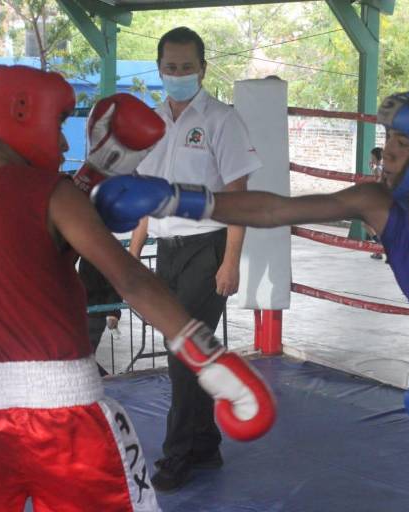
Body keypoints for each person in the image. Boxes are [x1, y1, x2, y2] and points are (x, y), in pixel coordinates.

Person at [93, 85, 409, 511]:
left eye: (400, 145)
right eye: (388, 141)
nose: (386, 156)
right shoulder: (377, 203)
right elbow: (279, 209)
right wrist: (176, 199)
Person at [0, 64, 275, 512]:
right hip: (65, 412)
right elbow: (131, 278)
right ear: (23, 113)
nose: (64, 142)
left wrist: (94, 175)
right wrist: (211, 357)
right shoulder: (55, 194)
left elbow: (24, 243)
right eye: (58, 125)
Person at [126, 26, 263, 493]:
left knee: (183, 352)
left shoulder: (223, 120)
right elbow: (146, 193)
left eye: (187, 67)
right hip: (167, 249)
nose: (178, 74)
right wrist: (133, 250)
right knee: (189, 349)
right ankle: (205, 444)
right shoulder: (149, 122)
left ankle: (177, 454)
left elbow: (239, 195)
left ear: (203, 68)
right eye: (171, 67)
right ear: (159, 67)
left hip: (208, 246)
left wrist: (231, 262)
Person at [78, 256, 122, 376]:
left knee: (82, 358)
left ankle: (107, 380)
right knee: (81, 358)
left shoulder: (94, 254)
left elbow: (113, 284)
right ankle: (107, 380)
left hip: (93, 313)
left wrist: (112, 312)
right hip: (81, 311)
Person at [367, 146, 385, 260]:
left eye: (372, 156)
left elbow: (376, 184)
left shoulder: (378, 169)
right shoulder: (383, 167)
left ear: (375, 156)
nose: (370, 158)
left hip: (378, 201)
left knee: (367, 224)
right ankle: (379, 250)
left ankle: (380, 248)